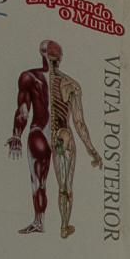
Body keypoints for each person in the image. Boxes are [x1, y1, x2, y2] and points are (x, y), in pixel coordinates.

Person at [6, 38, 102, 237]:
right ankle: (64, 226)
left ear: (42, 55)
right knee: (65, 187)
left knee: (38, 183)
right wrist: (92, 150)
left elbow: (23, 110)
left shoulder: (29, 77)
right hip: (62, 136)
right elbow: (79, 123)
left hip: (39, 132)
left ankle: (39, 221)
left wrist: (16, 136)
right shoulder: (71, 85)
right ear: (60, 58)